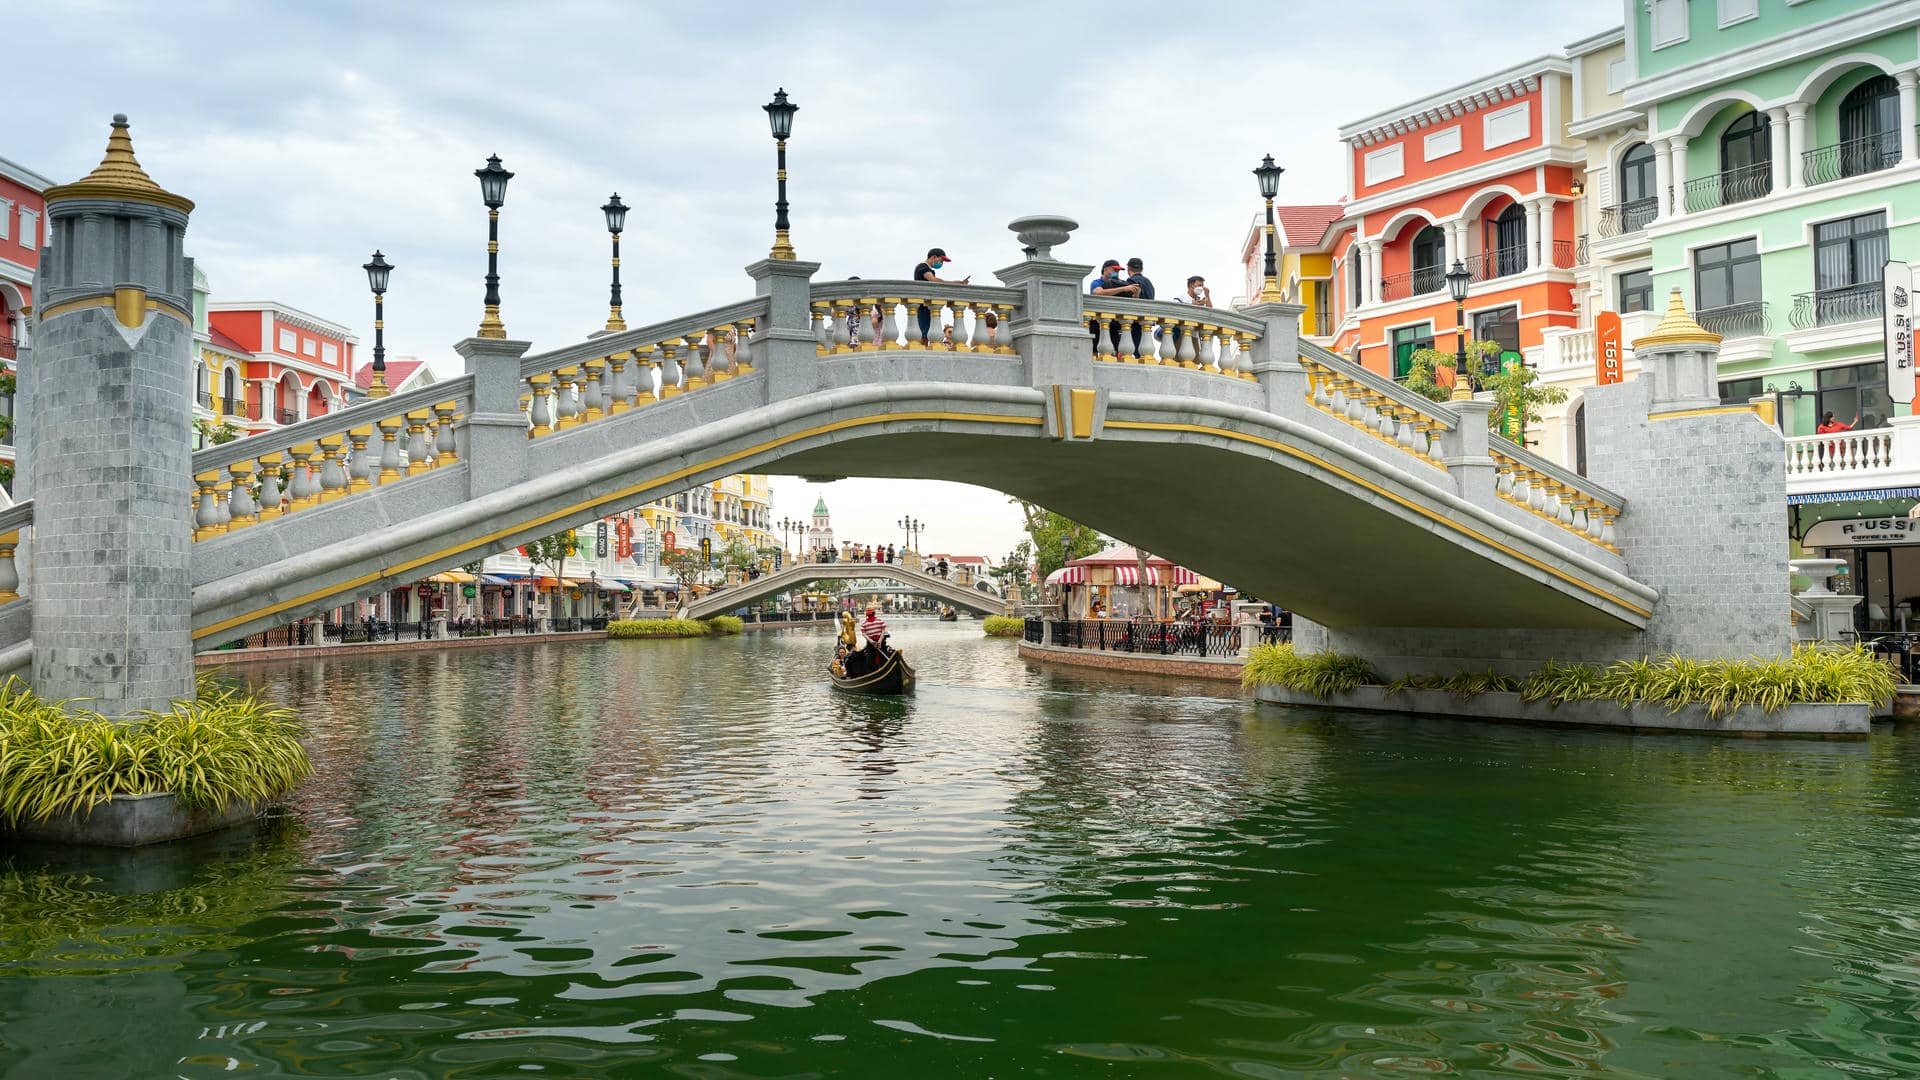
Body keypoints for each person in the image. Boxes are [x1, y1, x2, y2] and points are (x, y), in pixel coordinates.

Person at [912, 248, 968, 344]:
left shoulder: (925, 268)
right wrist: (954, 283)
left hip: (926, 305)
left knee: (927, 332)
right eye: (941, 260)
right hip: (923, 305)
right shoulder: (923, 267)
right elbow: (933, 280)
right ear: (934, 257)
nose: (941, 263)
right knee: (924, 333)